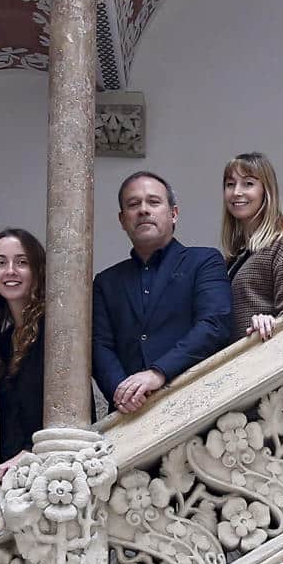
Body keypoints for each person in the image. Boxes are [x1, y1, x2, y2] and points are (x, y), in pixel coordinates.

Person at [94, 171, 233, 413]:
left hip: (193, 406)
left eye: (154, 202)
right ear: (122, 219)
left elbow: (214, 325)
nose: (143, 210)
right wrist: (122, 391)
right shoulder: (106, 282)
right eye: (133, 204)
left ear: (173, 214)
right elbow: (99, 346)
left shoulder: (204, 261)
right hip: (127, 416)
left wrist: (158, 372)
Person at [221, 152, 283, 341]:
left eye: (248, 183)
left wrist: (269, 322)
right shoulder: (237, 253)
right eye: (230, 184)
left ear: (266, 191)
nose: (237, 192)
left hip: (264, 361)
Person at [0, 227, 47, 478]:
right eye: (0, 263)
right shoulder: (4, 342)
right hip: (14, 473)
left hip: (52, 464)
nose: (10, 271)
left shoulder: (55, 330)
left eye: (22, 262)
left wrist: (31, 451)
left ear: (38, 271)